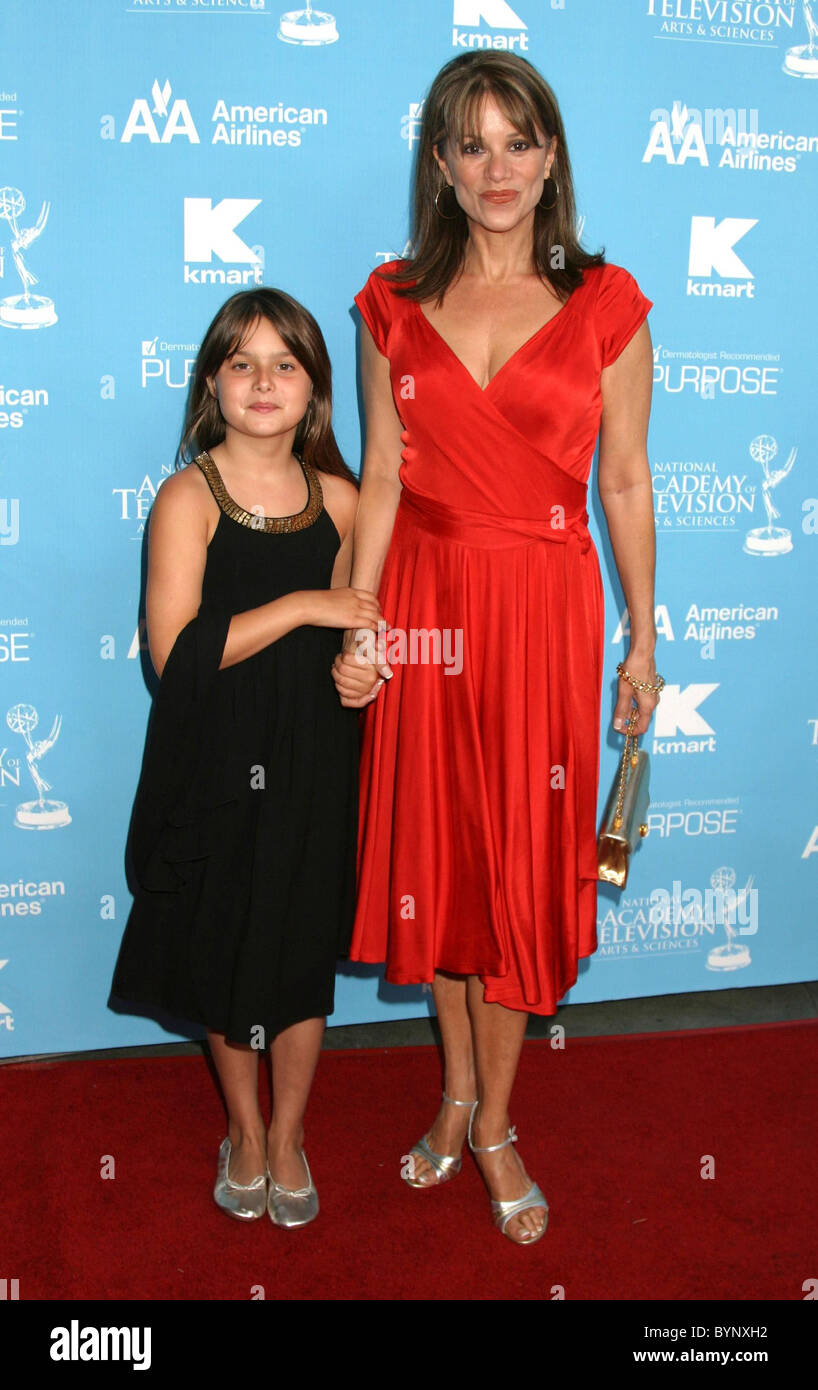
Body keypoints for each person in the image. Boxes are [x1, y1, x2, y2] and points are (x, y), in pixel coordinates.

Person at [332, 52, 662, 1246]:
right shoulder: (388, 302)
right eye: (469, 145)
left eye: (516, 141)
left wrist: (643, 640)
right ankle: (459, 1092)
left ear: (551, 154)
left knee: (517, 870)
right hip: (423, 601)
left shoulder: (606, 303)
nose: (496, 169)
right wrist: (356, 618)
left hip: (539, 609)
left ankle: (494, 1123)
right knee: (449, 863)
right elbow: (377, 478)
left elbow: (621, 477)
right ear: (437, 163)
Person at [110, 288, 380, 1228]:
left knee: (299, 951)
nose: (263, 382)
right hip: (214, 760)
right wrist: (307, 607)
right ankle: (247, 1131)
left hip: (315, 760)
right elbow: (175, 652)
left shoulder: (345, 502)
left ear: (314, 388)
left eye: (286, 364)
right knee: (228, 947)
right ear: (212, 382)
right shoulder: (188, 497)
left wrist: (362, 670)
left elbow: (363, 634)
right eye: (242, 363)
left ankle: (293, 1133)